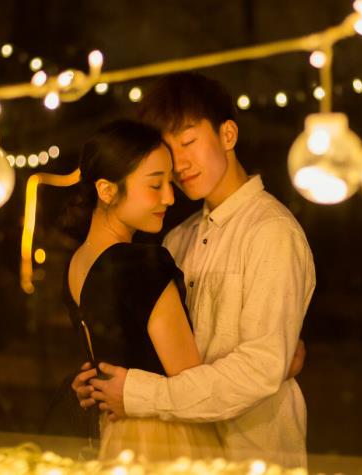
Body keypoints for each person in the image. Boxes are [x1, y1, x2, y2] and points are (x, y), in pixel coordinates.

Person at [73, 72, 316, 468]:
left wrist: (137, 394)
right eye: (168, 151)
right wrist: (103, 381)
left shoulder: (271, 232)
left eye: (188, 142)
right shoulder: (178, 239)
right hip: (183, 454)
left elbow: (258, 370)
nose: (179, 163)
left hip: (252, 454)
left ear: (228, 135)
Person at [63, 119, 222, 461]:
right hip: (165, 437)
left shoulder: (77, 263)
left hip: (116, 436)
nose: (170, 197)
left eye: (170, 182)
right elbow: (192, 386)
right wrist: (276, 367)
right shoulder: (140, 264)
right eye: (155, 184)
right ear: (106, 190)